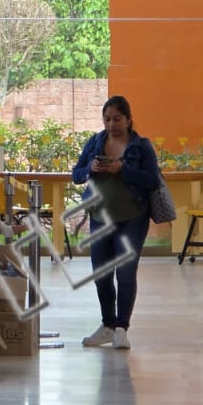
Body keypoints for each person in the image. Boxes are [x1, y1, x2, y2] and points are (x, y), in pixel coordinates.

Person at [72, 95, 161, 350]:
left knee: (125, 272)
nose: (111, 124)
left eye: (117, 119)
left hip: (132, 219)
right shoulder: (95, 142)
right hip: (100, 218)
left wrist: (123, 169)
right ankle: (107, 325)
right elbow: (76, 174)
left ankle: (122, 328)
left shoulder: (141, 146)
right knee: (101, 274)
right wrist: (91, 168)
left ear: (129, 120)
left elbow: (152, 180)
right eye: (107, 119)